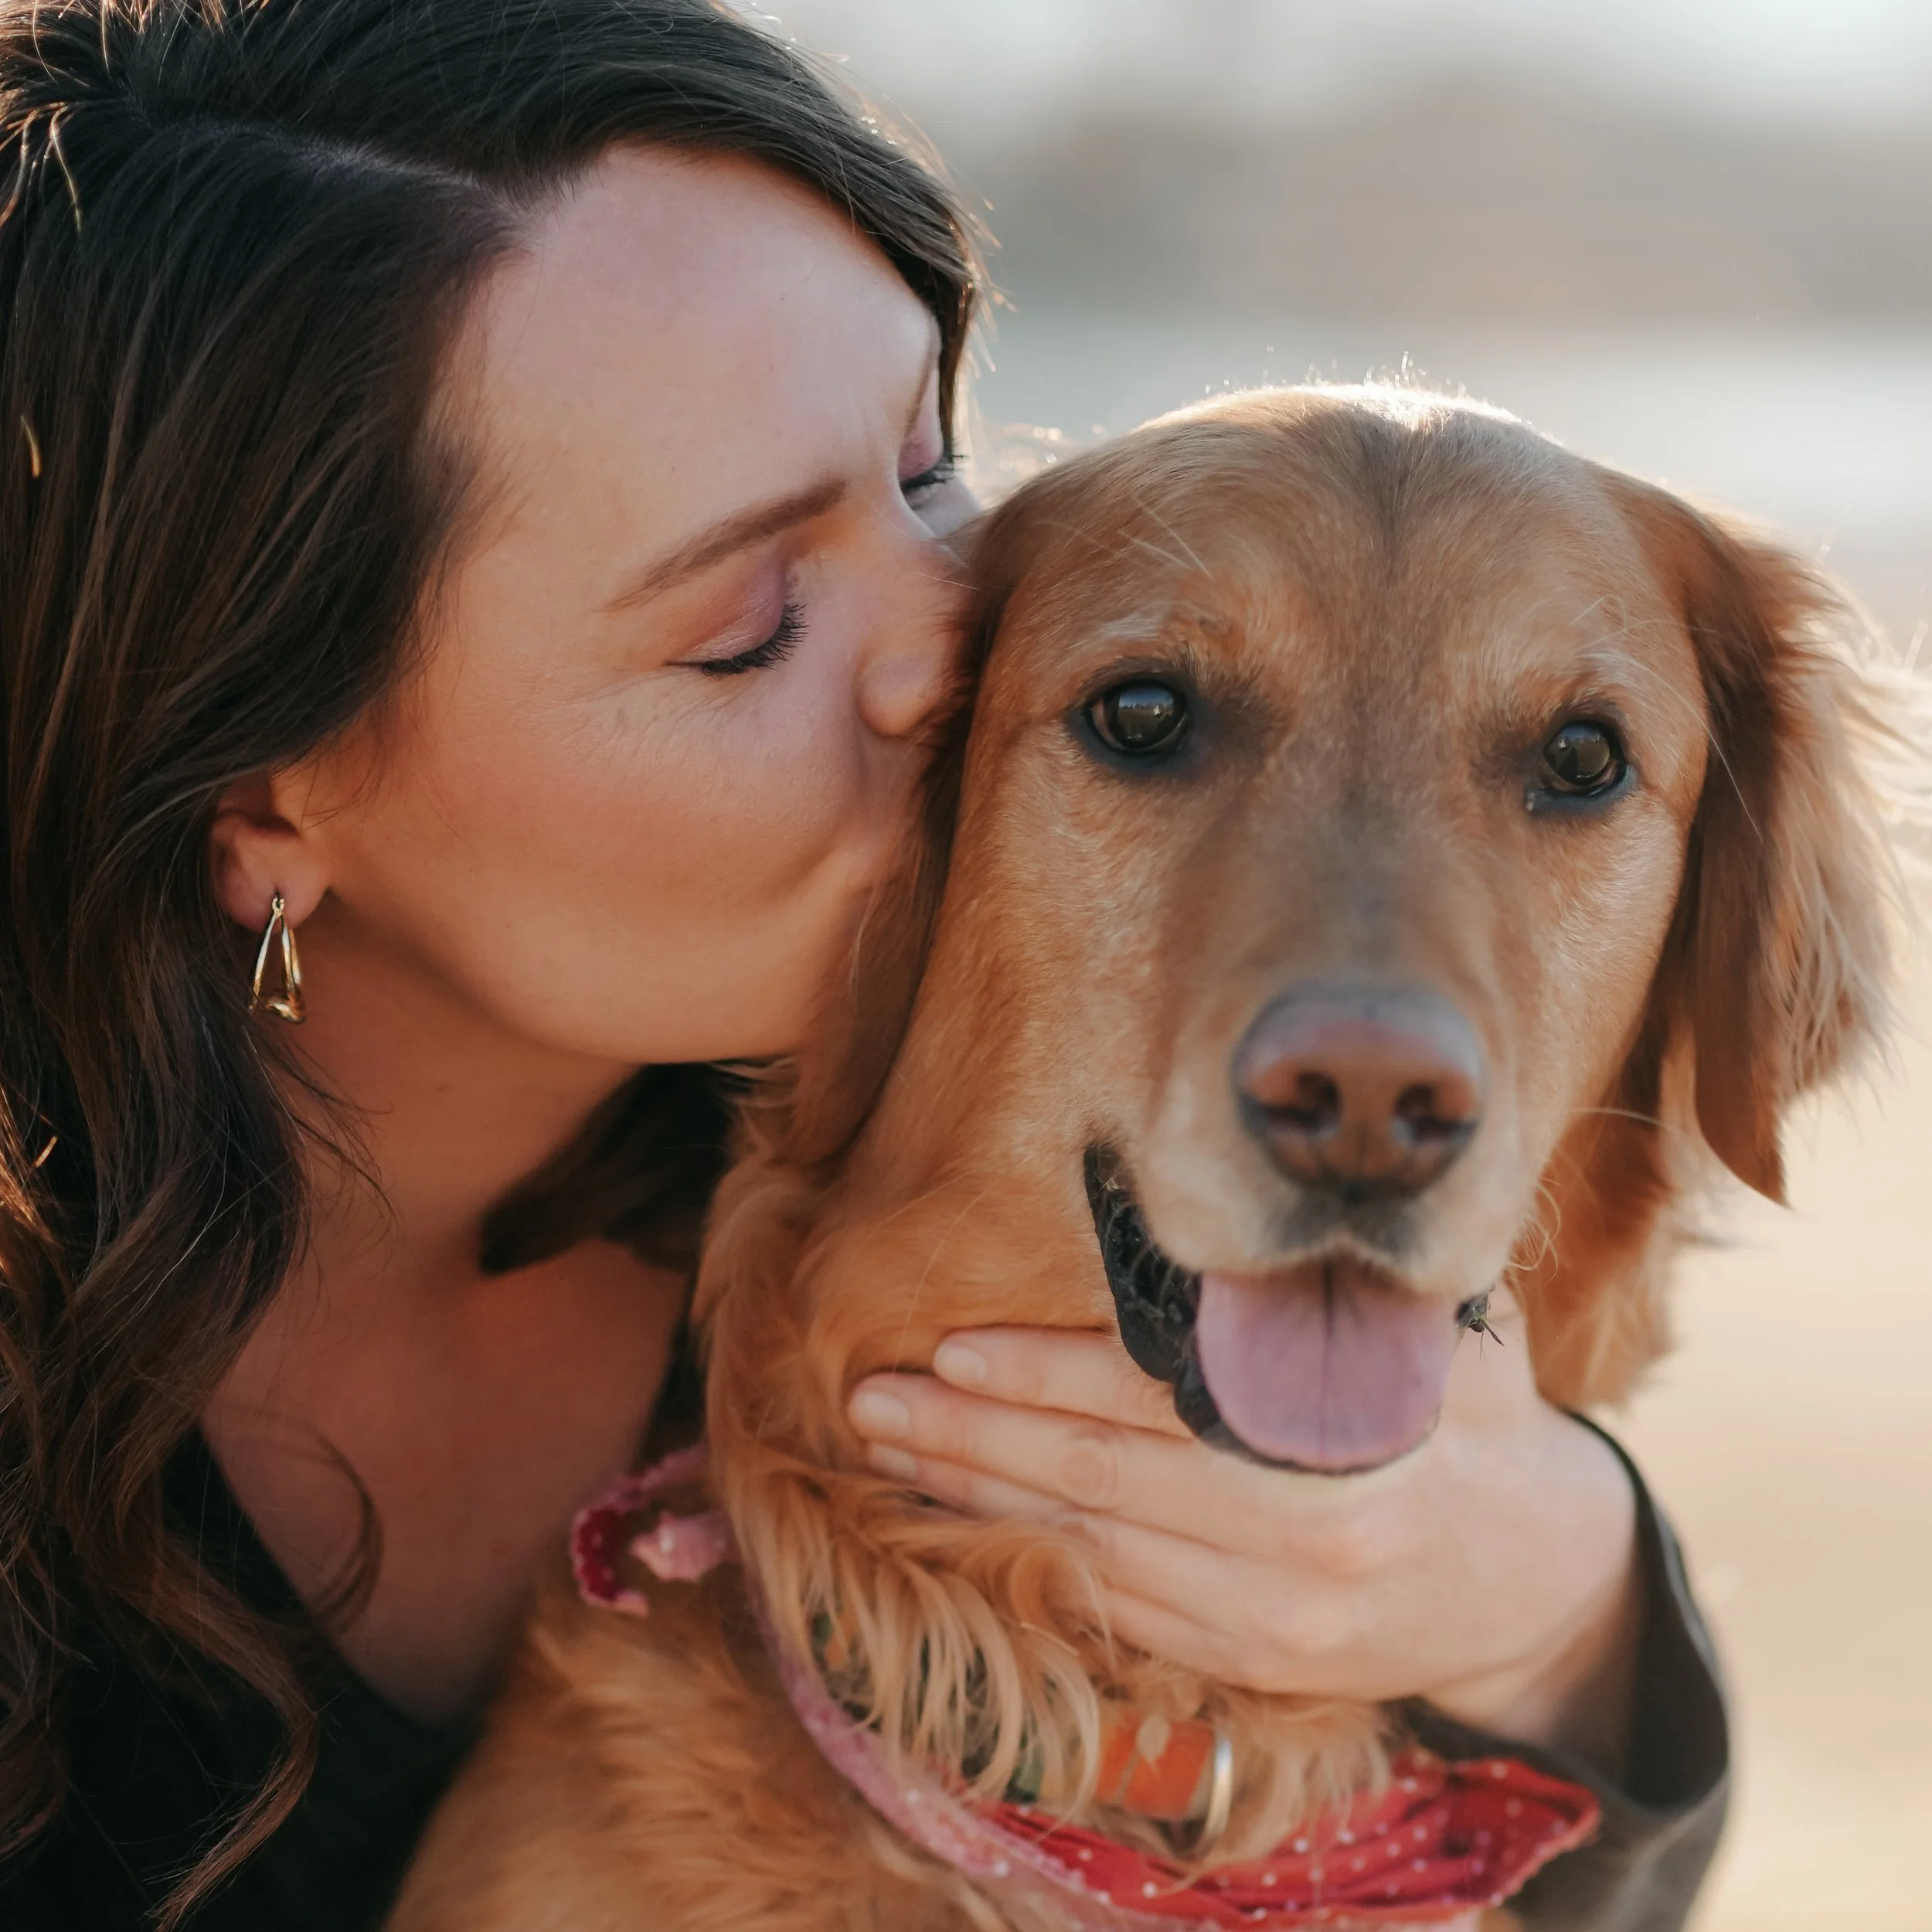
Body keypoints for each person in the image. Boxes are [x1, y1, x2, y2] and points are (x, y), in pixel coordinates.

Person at [0, 1, 1724, 1927]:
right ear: (263, 790)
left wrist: (1568, 1623)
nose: (962, 643)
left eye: (921, 466)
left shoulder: (961, 1132)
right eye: (748, 622)